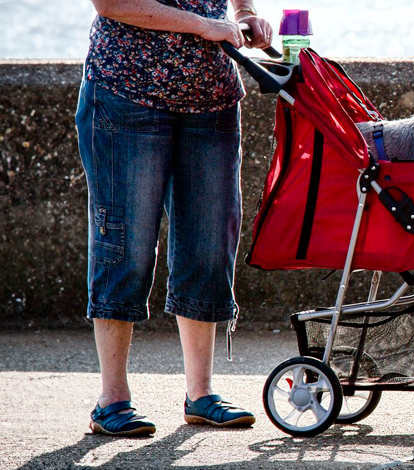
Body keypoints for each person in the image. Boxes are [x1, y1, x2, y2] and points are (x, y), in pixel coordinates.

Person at [75, 0, 273, 437]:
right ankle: (112, 400)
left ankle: (201, 396)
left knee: (208, 246)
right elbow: (111, 3)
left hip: (213, 102)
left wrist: (242, 13)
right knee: (125, 246)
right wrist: (204, 25)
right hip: (124, 96)